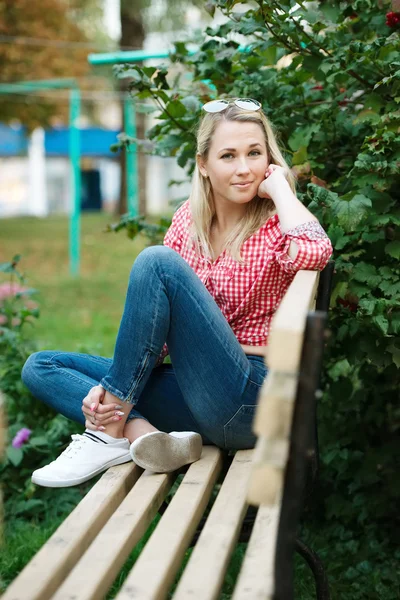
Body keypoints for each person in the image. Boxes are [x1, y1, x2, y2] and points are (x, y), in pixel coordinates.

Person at [22, 98, 333, 488]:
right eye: (228, 155)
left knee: (156, 262)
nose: (244, 168)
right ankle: (143, 436)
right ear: (203, 165)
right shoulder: (189, 220)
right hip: (197, 393)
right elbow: (158, 330)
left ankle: (108, 430)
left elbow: (316, 251)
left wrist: (283, 191)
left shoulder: (278, 221)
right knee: (41, 367)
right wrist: (116, 382)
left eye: (255, 153)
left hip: (252, 400)